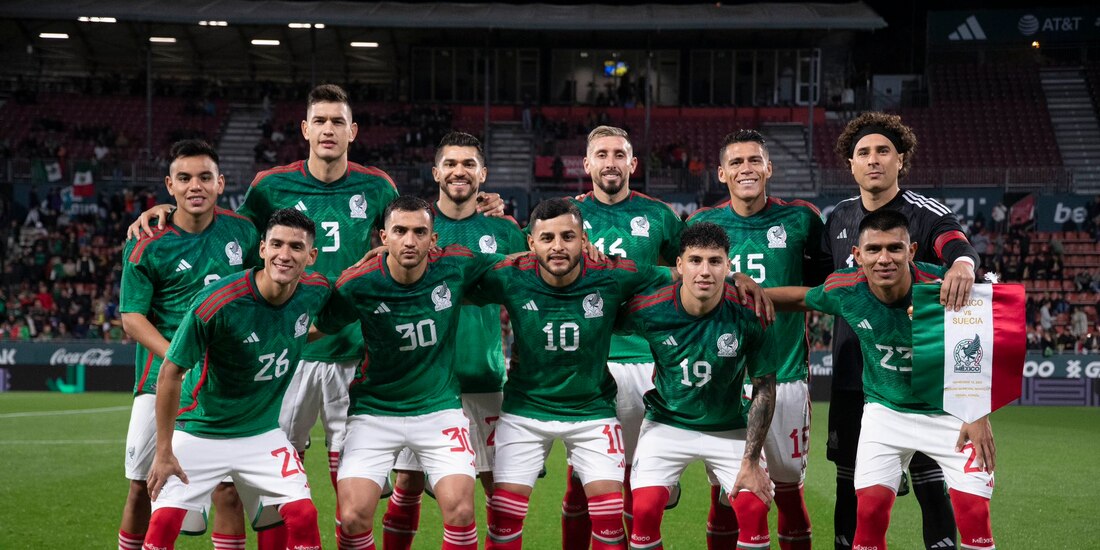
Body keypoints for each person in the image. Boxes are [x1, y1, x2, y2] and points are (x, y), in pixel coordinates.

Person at [127, 84, 504, 545]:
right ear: (305, 128)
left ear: (353, 131)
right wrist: (174, 209)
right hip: (288, 355)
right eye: (320, 120)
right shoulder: (270, 185)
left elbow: (413, 229)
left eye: (338, 121)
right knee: (263, 488)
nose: (329, 129)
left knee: (346, 490)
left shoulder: (378, 185)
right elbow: (234, 232)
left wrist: (486, 207)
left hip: (352, 351)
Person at [768, 209, 997, 550]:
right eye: (874, 250)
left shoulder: (944, 289)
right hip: (884, 412)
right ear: (857, 256)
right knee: (870, 512)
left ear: (912, 251)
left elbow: (983, 348)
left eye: (895, 248)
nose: (884, 259)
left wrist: (978, 414)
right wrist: (744, 292)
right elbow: (801, 298)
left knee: (974, 515)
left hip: (947, 413)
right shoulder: (844, 289)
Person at [474, 198, 672, 550]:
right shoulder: (509, 273)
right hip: (524, 412)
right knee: (502, 523)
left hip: (592, 412)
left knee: (611, 523)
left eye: (568, 236)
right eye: (547, 238)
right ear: (531, 243)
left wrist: (737, 279)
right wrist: (386, 256)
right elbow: (444, 272)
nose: (558, 246)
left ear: (584, 240)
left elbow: (678, 275)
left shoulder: (612, 273)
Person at [823, 112, 979, 550]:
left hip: (919, 380)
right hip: (854, 371)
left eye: (883, 151)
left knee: (932, 483)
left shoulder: (924, 213)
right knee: (850, 483)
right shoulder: (839, 217)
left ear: (900, 160)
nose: (873, 160)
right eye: (863, 153)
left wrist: (964, 264)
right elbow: (822, 284)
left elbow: (957, 245)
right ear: (850, 165)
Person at [314, 195, 503, 550]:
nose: (410, 240)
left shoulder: (457, 264)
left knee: (461, 512)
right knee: (352, 517)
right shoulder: (358, 282)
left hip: (439, 411)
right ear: (383, 236)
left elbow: (516, 266)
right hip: (374, 414)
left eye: (420, 232)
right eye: (399, 231)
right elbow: (317, 325)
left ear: (434, 240)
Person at [143, 208, 331, 550]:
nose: (284, 255)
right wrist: (164, 450)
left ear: (312, 255)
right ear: (262, 249)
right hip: (200, 430)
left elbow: (329, 317)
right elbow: (170, 372)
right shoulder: (217, 303)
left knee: (304, 515)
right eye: (276, 244)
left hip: (261, 434)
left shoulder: (316, 291)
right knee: (163, 524)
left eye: (296, 247)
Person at [384, 132, 528, 550]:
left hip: (483, 374)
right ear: (436, 173)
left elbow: (525, 297)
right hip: (421, 382)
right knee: (407, 485)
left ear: (483, 174)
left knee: (496, 490)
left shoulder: (504, 230)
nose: (459, 171)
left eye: (468, 164)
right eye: (450, 164)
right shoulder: (414, 227)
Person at [686, 129, 830, 550]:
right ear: (721, 173)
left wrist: (760, 295)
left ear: (769, 168)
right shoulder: (700, 224)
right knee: (727, 493)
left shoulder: (802, 218)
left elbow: (824, 290)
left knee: (788, 491)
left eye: (754, 161)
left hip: (784, 374)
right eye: (736, 162)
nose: (746, 169)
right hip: (726, 381)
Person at [118, 139, 259, 550]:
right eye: (184, 178)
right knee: (144, 486)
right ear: (169, 185)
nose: (194, 186)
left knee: (227, 491)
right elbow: (131, 318)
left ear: (220, 183)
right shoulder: (147, 240)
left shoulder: (244, 232)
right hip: (159, 381)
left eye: (204, 177)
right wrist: (180, 358)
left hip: (226, 382)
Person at [562, 126, 684, 547]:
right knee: (581, 482)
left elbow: (691, 271)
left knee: (639, 478)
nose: (610, 162)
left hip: (647, 361)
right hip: (587, 361)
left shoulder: (660, 215)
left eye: (619, 154)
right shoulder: (566, 218)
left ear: (632, 164)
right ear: (587, 164)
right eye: (601, 154)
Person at [621, 222, 777, 550]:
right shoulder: (650, 309)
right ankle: (666, 485)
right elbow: (603, 319)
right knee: (644, 511)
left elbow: (763, 386)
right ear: (678, 266)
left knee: (754, 509)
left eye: (714, 261)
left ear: (729, 266)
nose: (704, 271)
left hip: (730, 426)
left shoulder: (751, 312)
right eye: (695, 260)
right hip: (667, 423)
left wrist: (750, 462)